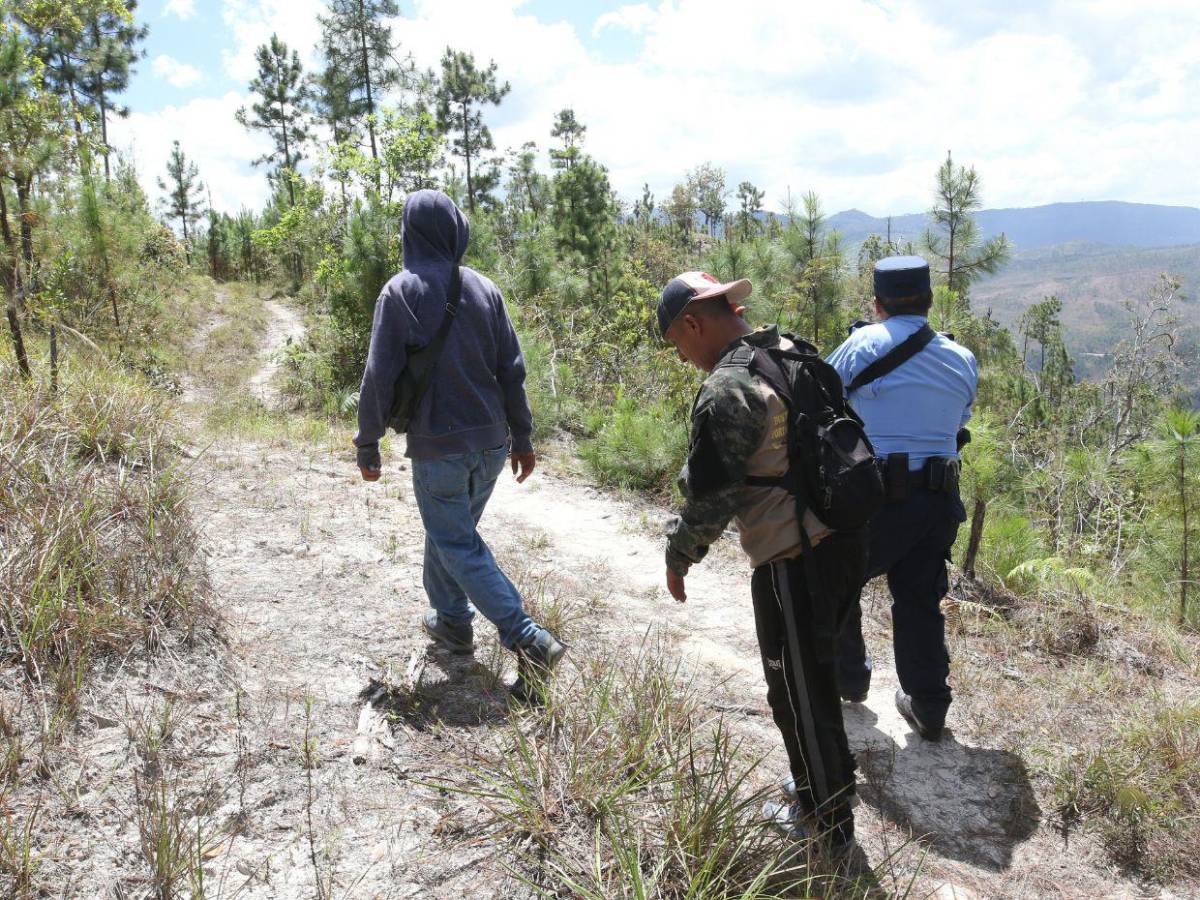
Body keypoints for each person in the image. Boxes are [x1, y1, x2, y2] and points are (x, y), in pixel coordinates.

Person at [659, 271, 866, 857]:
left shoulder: (729, 387)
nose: (683, 357)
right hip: (846, 540)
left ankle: (827, 829)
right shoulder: (789, 349)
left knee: (798, 693)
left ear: (694, 323)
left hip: (793, 558)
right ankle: (823, 790)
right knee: (815, 678)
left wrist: (680, 555)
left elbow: (711, 496)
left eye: (678, 343)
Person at [354, 189, 564, 704]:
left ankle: (526, 636)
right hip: (492, 446)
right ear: (456, 228)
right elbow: (512, 372)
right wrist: (524, 438)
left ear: (408, 232)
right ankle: (452, 624)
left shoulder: (400, 292)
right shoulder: (486, 290)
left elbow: (379, 376)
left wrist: (368, 439)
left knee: (455, 541)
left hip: (438, 448)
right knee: (450, 532)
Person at [826, 255, 977, 741]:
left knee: (838, 580)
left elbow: (822, 400)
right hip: (938, 501)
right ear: (930, 301)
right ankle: (929, 704)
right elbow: (956, 424)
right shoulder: (961, 358)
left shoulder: (861, 344)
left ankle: (849, 677)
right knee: (919, 598)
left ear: (877, 303)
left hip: (875, 500)